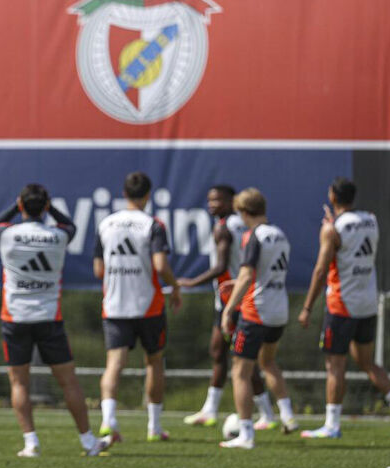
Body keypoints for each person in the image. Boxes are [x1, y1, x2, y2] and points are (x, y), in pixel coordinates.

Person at [0, 184, 112, 458]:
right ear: (46, 208)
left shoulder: (7, 234)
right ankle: (88, 441)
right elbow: (71, 226)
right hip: (48, 318)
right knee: (69, 382)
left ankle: (31, 443)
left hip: (15, 317)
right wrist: (49, 206)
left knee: (19, 383)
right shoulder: (58, 235)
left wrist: (17, 204)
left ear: (21, 206)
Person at [298, 178, 390, 439]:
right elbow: (351, 238)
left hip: (342, 303)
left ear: (332, 196)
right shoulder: (371, 219)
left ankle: (332, 425)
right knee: (366, 361)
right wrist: (333, 226)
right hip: (367, 302)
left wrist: (307, 307)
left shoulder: (332, 230)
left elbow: (320, 269)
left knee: (335, 365)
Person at [178, 186, 278, 429]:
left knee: (241, 358)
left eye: (217, 200)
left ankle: (267, 413)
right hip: (237, 296)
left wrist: (191, 281)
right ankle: (211, 409)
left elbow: (222, 266)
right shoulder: (243, 225)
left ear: (232, 202)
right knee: (220, 351)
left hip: (231, 297)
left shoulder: (224, 227)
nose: (212, 204)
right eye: (209, 199)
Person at [94, 172, 181, 442]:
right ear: (147, 195)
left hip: (115, 304)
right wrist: (174, 286)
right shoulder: (153, 224)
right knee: (154, 361)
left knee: (114, 365)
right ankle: (154, 427)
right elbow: (160, 266)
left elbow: (99, 270)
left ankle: (109, 422)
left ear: (124, 194)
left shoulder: (106, 223)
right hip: (148, 305)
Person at [219, 188, 298, 449]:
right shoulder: (280, 234)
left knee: (240, 372)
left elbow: (246, 275)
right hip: (279, 309)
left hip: (256, 311)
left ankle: (246, 434)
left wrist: (230, 308)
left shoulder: (253, 236)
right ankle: (287, 416)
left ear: (243, 211)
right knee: (268, 362)